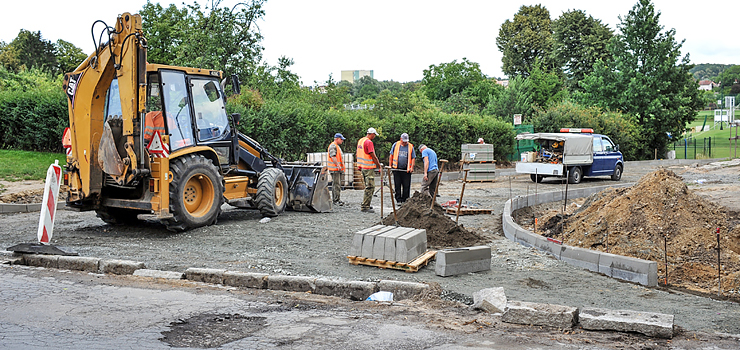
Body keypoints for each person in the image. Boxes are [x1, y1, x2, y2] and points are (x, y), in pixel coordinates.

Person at [356, 127, 382, 213]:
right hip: (368, 168)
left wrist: (359, 165)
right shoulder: (369, 142)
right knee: (370, 187)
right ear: (372, 134)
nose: (374, 137)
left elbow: (358, 154)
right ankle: (365, 206)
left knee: (368, 186)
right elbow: (373, 155)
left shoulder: (361, 140)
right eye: (374, 135)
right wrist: (379, 166)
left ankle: (366, 204)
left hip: (363, 167)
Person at [388, 133, 415, 204]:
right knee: (397, 185)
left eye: (406, 141)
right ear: (401, 139)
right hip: (396, 169)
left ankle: (405, 200)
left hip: (406, 170)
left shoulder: (410, 146)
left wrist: (411, 167)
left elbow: (413, 158)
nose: (405, 142)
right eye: (404, 141)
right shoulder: (396, 145)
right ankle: (398, 200)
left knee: (406, 185)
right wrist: (390, 165)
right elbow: (391, 155)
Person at [327, 133, 346, 206]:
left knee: (336, 184)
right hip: (334, 169)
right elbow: (333, 156)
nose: (342, 141)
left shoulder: (336, 146)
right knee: (336, 184)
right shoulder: (333, 146)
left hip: (336, 169)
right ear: (337, 139)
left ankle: (336, 199)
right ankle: (336, 200)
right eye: (341, 139)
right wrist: (338, 165)